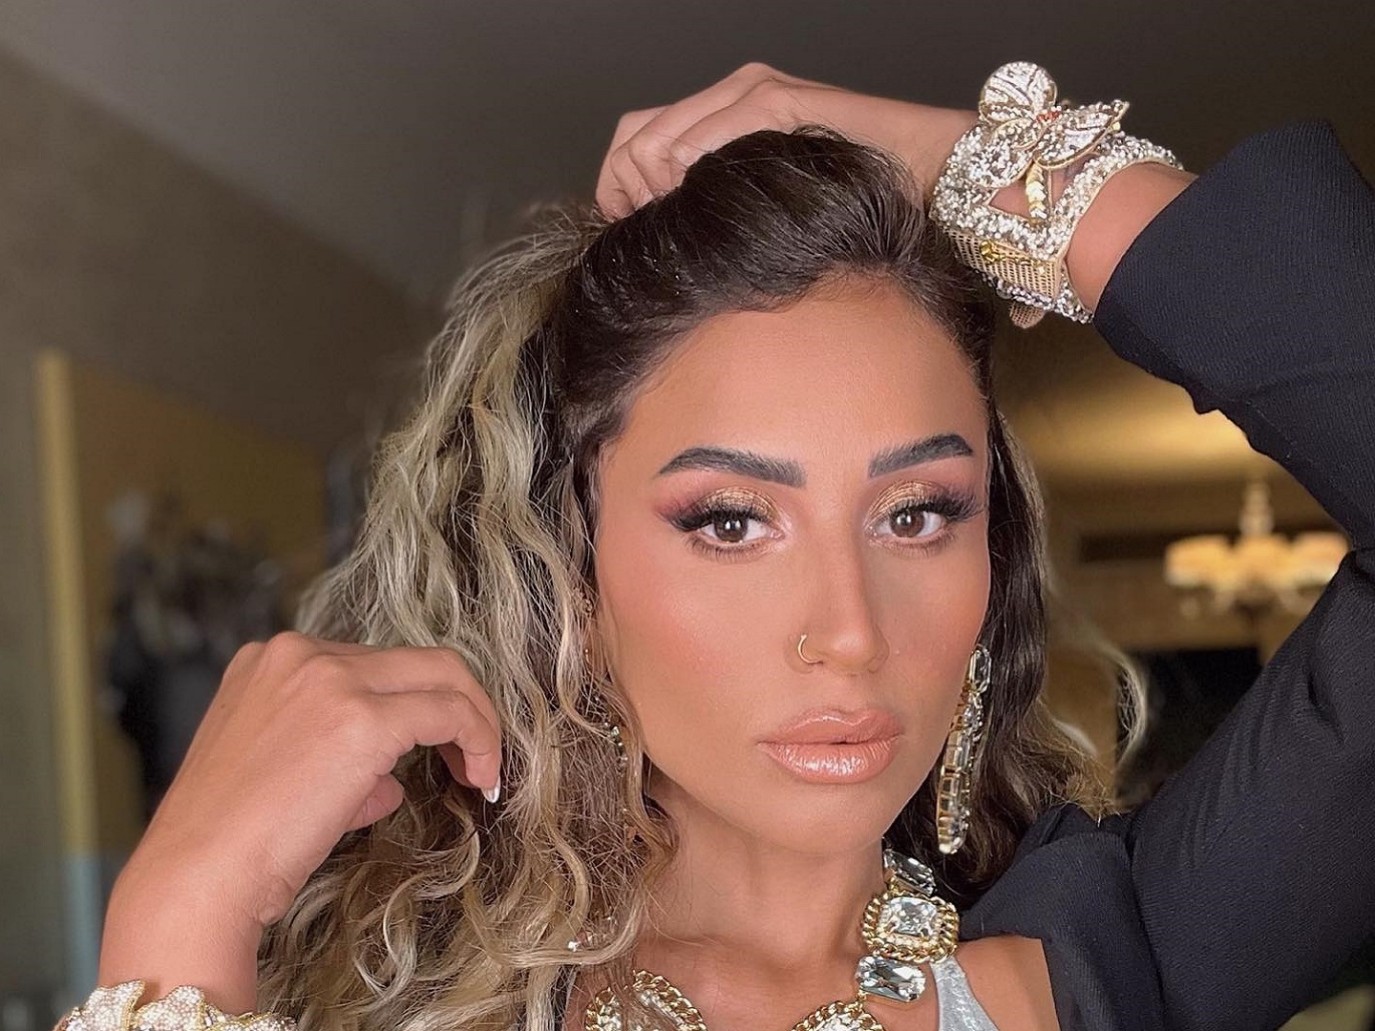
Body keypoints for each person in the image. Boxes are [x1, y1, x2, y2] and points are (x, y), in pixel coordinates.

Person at [69, 61, 1374, 1031]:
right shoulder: (398, 1005)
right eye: (732, 521)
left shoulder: (1126, 960)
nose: (849, 631)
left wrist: (973, 163)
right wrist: (179, 919)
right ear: (568, 567)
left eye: (917, 513)